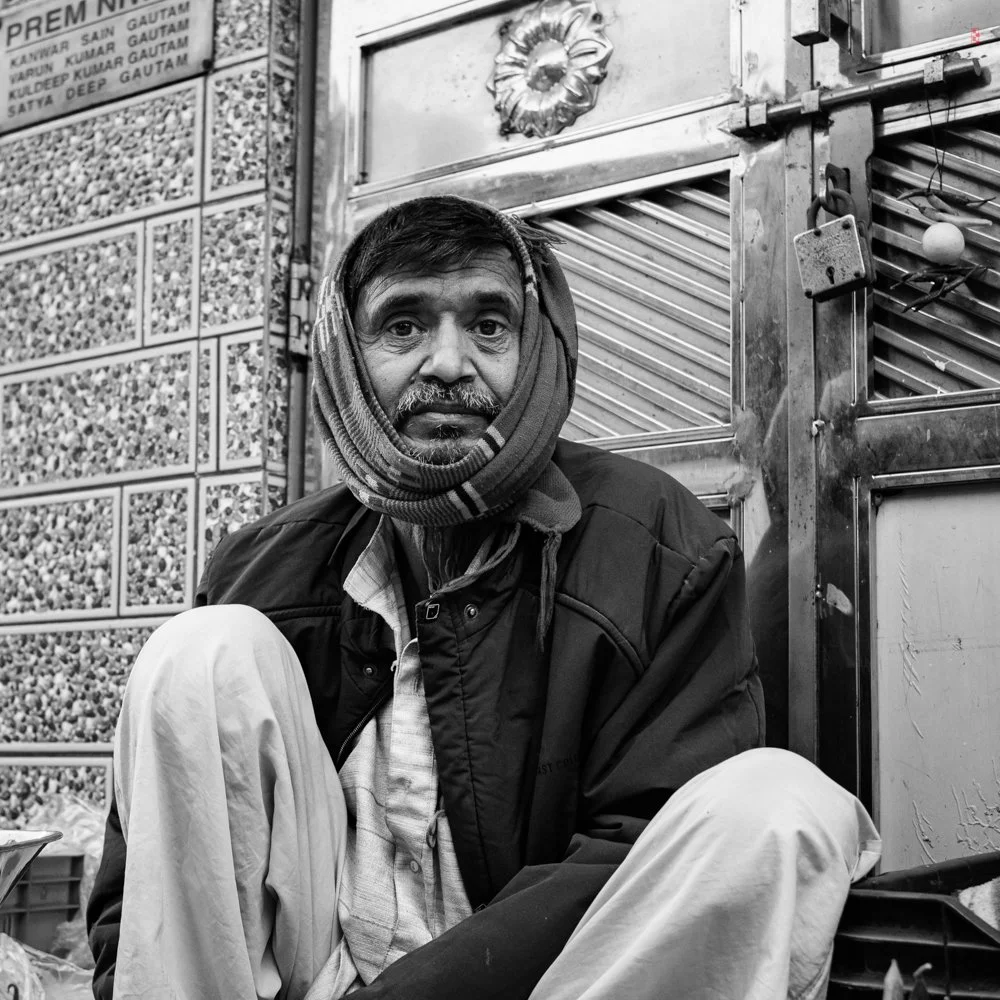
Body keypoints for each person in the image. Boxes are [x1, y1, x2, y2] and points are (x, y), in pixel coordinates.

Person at [87, 195, 881, 1000]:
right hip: (317, 977)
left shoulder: (659, 543)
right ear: (345, 356)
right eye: (403, 327)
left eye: (488, 326)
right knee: (202, 654)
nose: (447, 363)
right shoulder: (259, 569)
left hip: (552, 984)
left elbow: (646, 840)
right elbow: (158, 870)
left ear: (534, 348)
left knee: (782, 805)